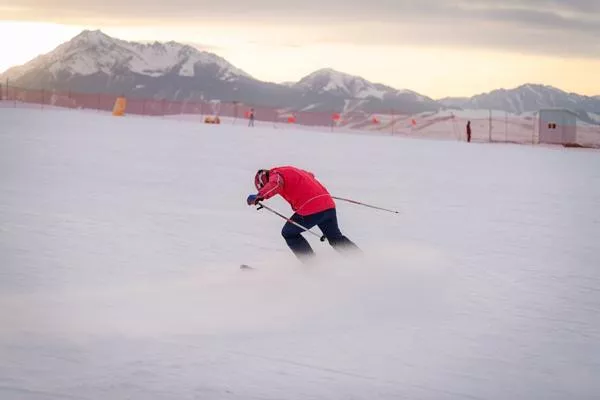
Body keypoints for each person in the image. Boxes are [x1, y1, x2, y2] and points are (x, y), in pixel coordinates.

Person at [246, 166, 359, 262]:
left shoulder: (275, 174)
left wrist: (259, 195)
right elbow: (310, 175)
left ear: (262, 181)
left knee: (288, 233)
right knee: (335, 238)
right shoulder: (290, 170)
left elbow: (276, 184)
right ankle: (361, 261)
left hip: (312, 208)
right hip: (328, 205)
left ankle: (312, 265)